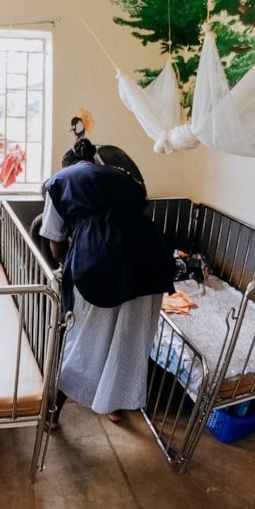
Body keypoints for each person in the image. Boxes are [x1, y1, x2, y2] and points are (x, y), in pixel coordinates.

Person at [39, 138, 174, 425]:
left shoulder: (59, 182)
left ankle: (53, 411)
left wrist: (65, 264)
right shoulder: (120, 176)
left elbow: (53, 238)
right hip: (150, 260)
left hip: (101, 262)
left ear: (68, 165)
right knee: (127, 338)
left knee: (84, 340)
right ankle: (111, 402)